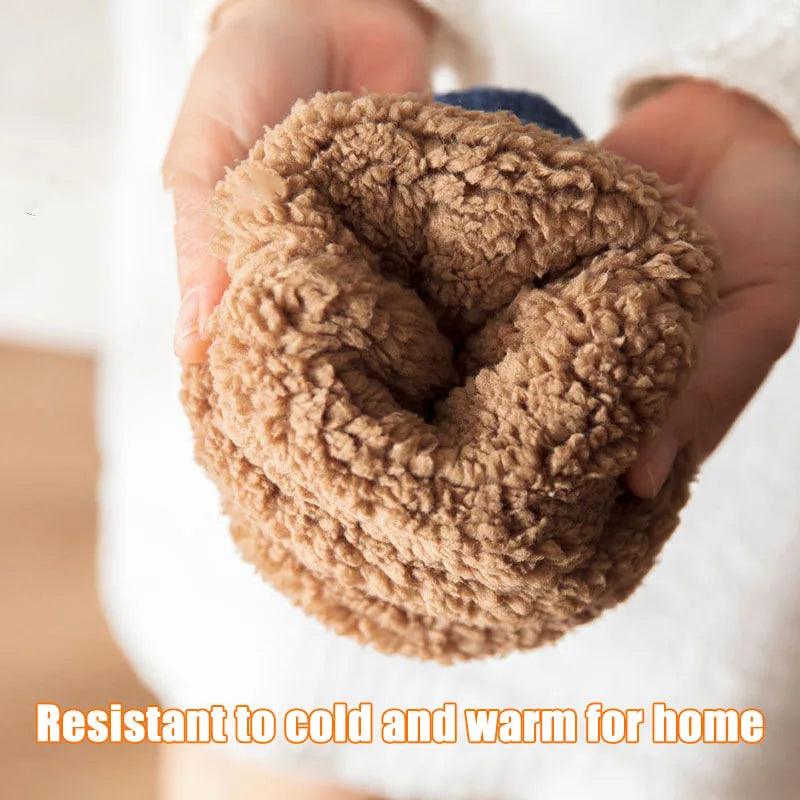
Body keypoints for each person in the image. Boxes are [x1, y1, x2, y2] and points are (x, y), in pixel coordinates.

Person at [101, 1, 800, 798]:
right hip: (340, 84)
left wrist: (778, 85)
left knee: (653, 744)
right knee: (253, 697)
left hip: (742, 187)